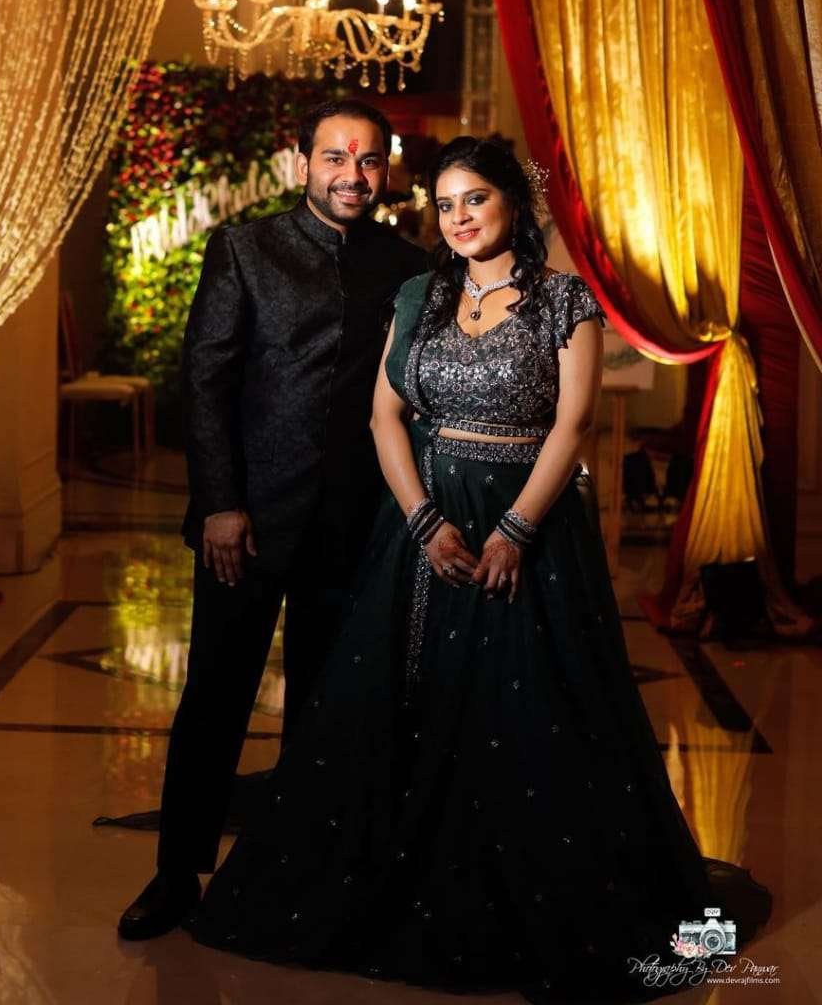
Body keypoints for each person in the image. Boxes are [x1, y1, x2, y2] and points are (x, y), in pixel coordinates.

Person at [191, 136, 771, 1002]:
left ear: (511, 203)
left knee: (525, 716)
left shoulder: (564, 299)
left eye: (476, 200)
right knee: (403, 706)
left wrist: (514, 530)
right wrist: (423, 519)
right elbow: (385, 415)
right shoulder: (419, 296)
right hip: (422, 527)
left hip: (529, 526)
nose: (458, 218)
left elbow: (572, 424)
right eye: (445, 204)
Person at [117, 99, 428, 940]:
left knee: (326, 714)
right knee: (214, 700)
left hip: (352, 526)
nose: (352, 174)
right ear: (303, 165)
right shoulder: (245, 248)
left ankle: (300, 877)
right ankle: (176, 875)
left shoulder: (407, 267)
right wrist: (220, 502)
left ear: (385, 169)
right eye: (335, 157)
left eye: (368, 160)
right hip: (245, 525)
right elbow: (206, 379)